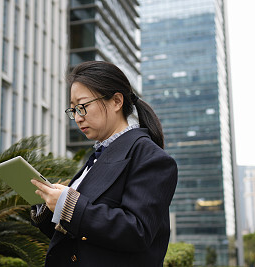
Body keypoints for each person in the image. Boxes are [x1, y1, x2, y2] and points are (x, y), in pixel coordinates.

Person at [30, 61, 178, 266]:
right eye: (72, 110)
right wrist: (51, 209)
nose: (77, 118)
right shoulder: (99, 156)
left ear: (117, 101)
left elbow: (138, 232)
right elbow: (79, 238)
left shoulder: (151, 158)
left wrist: (68, 205)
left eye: (82, 106)